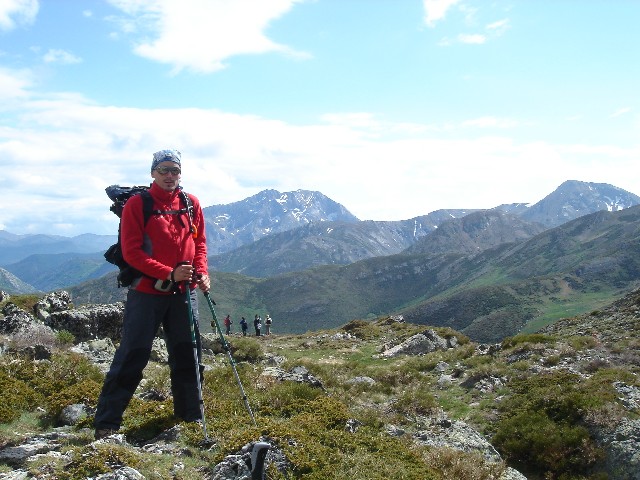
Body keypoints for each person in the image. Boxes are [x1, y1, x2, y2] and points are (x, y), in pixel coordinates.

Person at [93, 149, 210, 440]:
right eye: (164, 170)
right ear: (153, 173)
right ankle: (107, 422)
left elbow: (199, 244)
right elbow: (132, 253)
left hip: (184, 293)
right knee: (133, 354)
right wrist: (169, 273)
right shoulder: (138, 204)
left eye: (175, 170)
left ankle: (190, 416)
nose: (170, 176)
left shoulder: (190, 203)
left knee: (188, 354)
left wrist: (202, 271)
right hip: (147, 292)